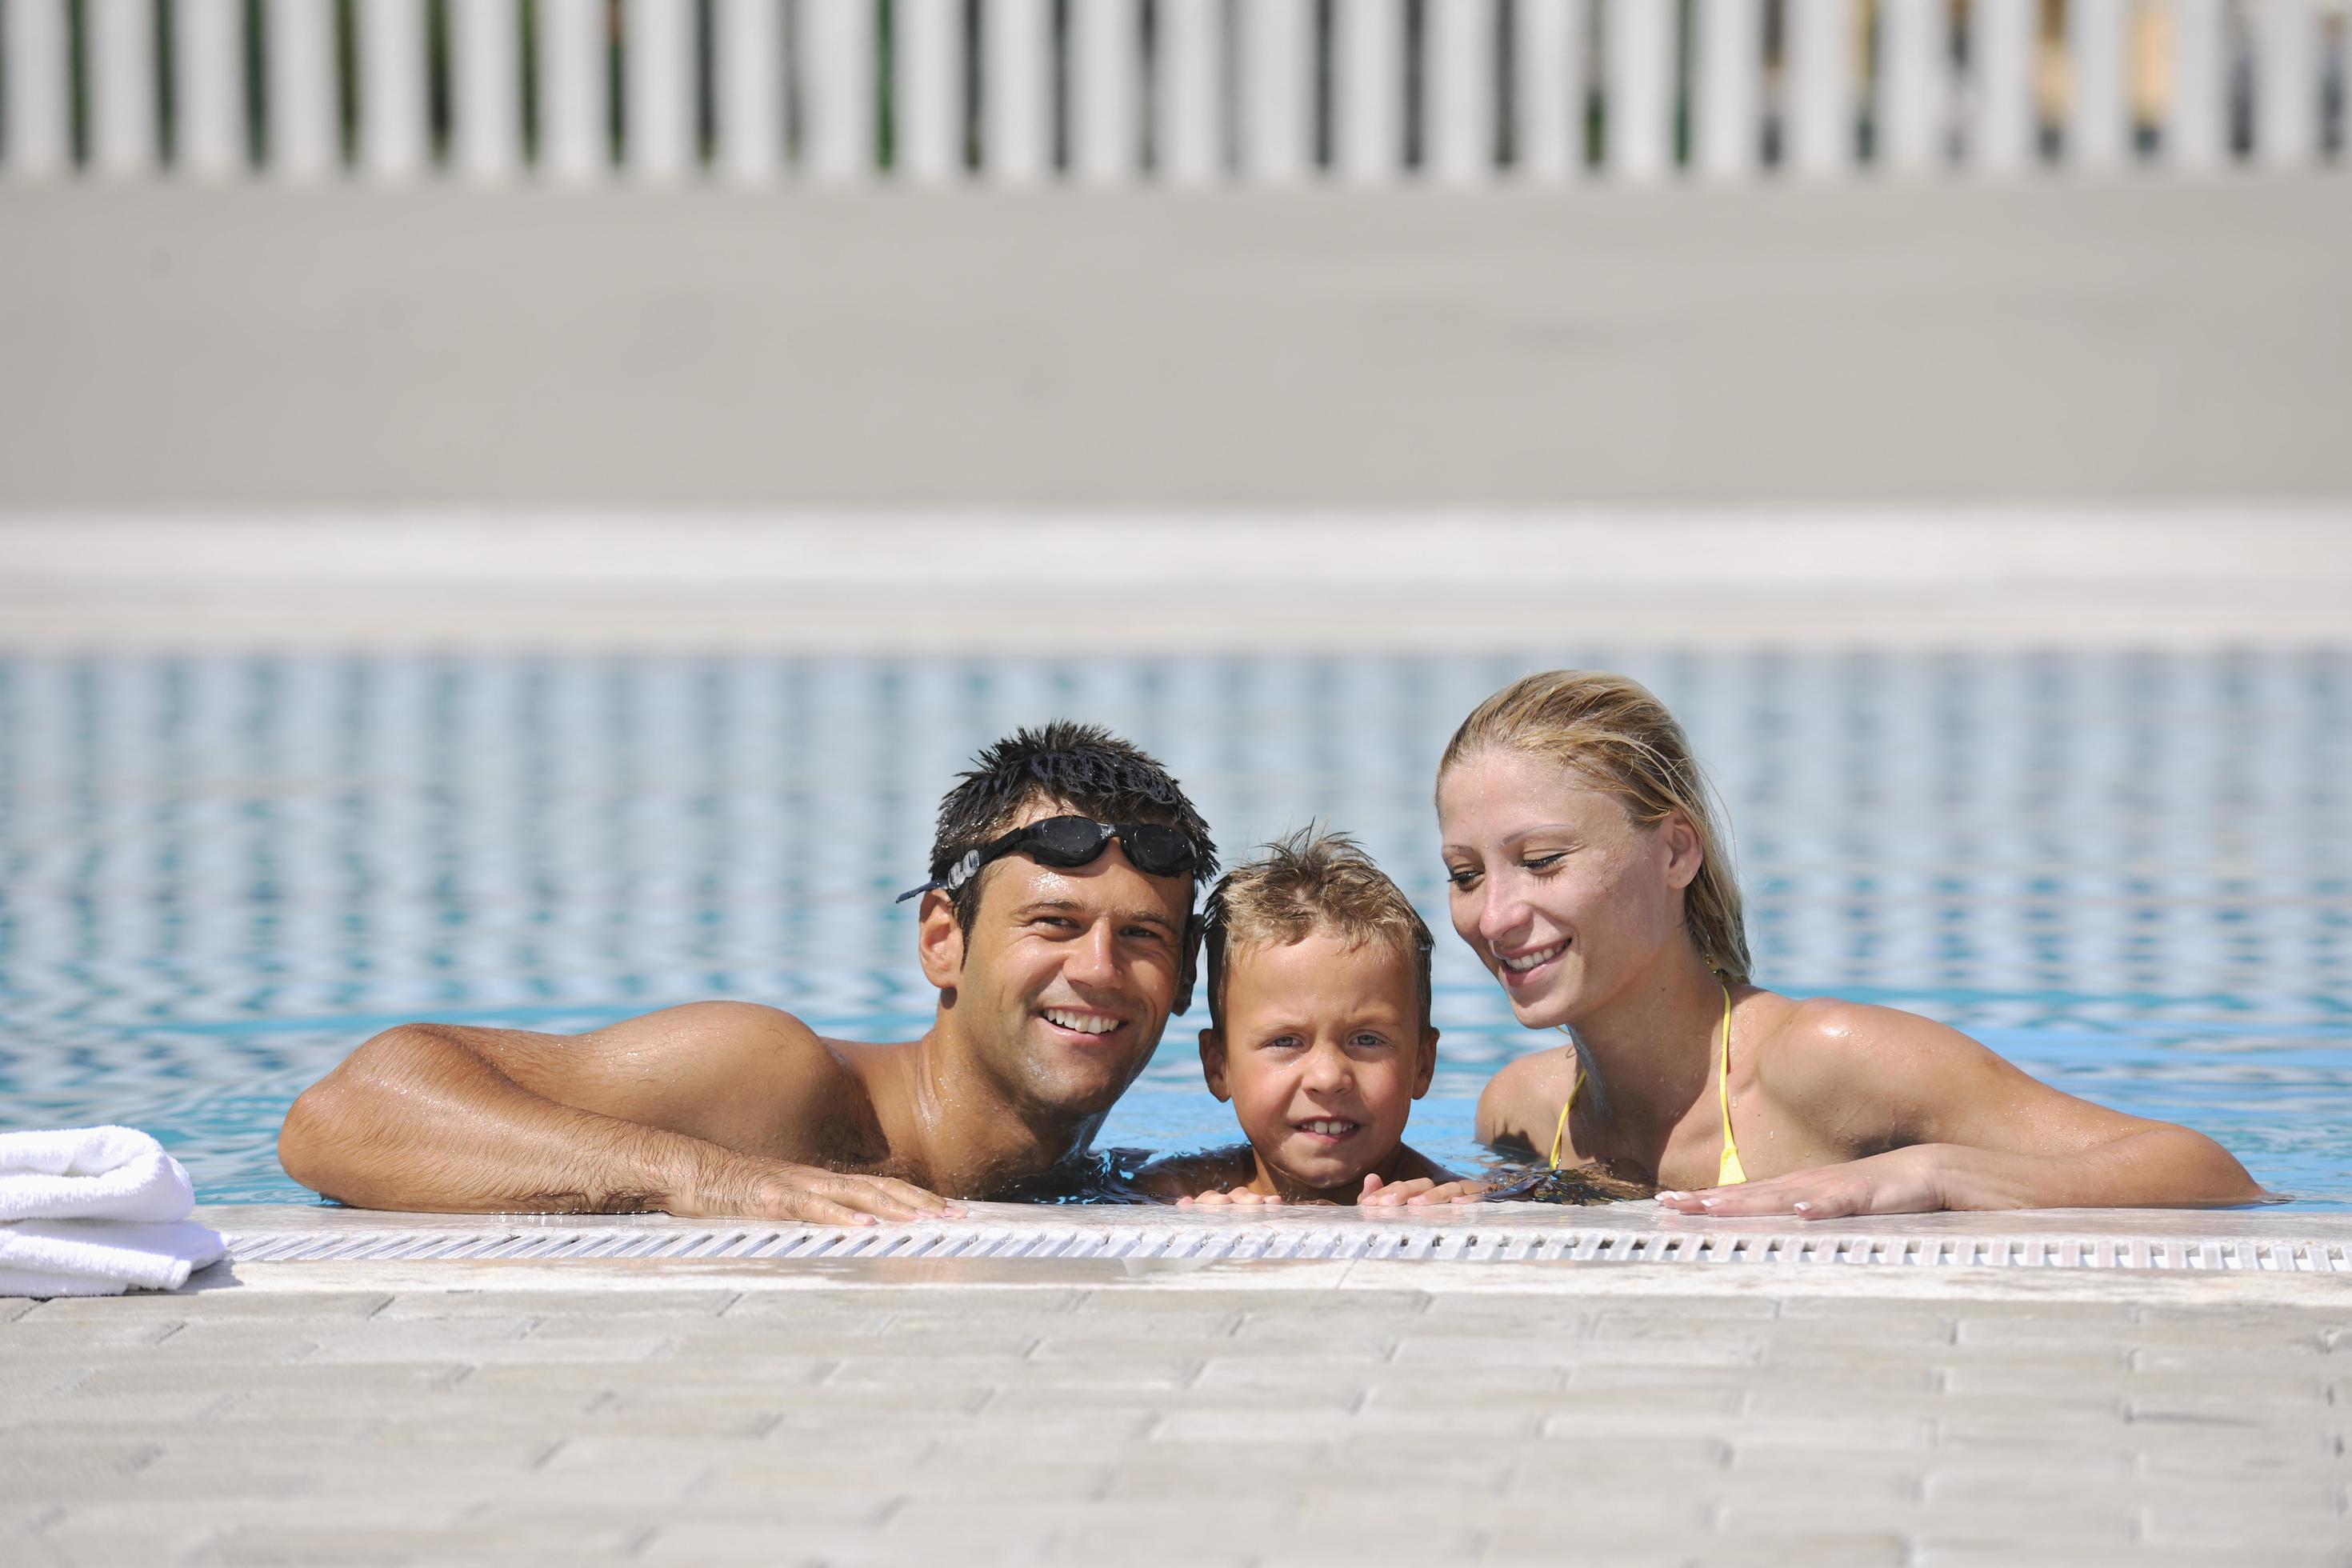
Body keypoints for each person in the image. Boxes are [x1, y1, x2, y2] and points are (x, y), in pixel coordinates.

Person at [278, 722, 1217, 1225]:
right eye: (1053, 923)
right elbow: (345, 1113)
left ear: (1181, 985)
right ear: (943, 940)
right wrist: (710, 1181)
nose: (1097, 970)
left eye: (1142, 937)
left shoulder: (1088, 1178)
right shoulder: (774, 1079)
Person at [1442, 670, 2266, 1218]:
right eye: (1466, 873)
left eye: (1543, 862)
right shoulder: (1523, 1112)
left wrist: (1936, 1172)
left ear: (1675, 851)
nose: (1496, 915)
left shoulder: (1828, 1065)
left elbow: (2207, 1172)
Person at [1143, 830, 1478, 1207]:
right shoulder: (1164, 1192)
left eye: (1366, 1039)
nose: (1328, 1078)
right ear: (1219, 1067)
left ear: (1422, 1064)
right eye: (1285, 1041)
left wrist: (1490, 1205)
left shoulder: (1452, 1199)